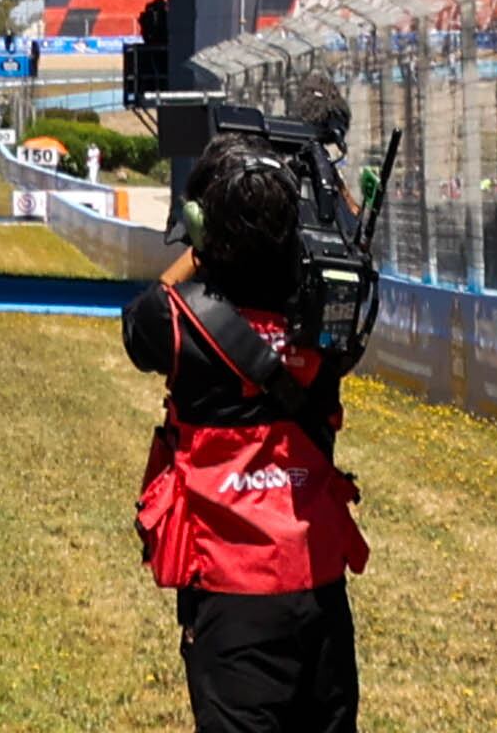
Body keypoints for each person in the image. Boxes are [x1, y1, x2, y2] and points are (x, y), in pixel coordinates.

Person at [122, 132, 370, 732]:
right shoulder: (328, 321)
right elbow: (349, 266)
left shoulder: (177, 323)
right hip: (316, 582)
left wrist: (202, 252)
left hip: (229, 593)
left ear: (201, 227)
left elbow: (141, 320)